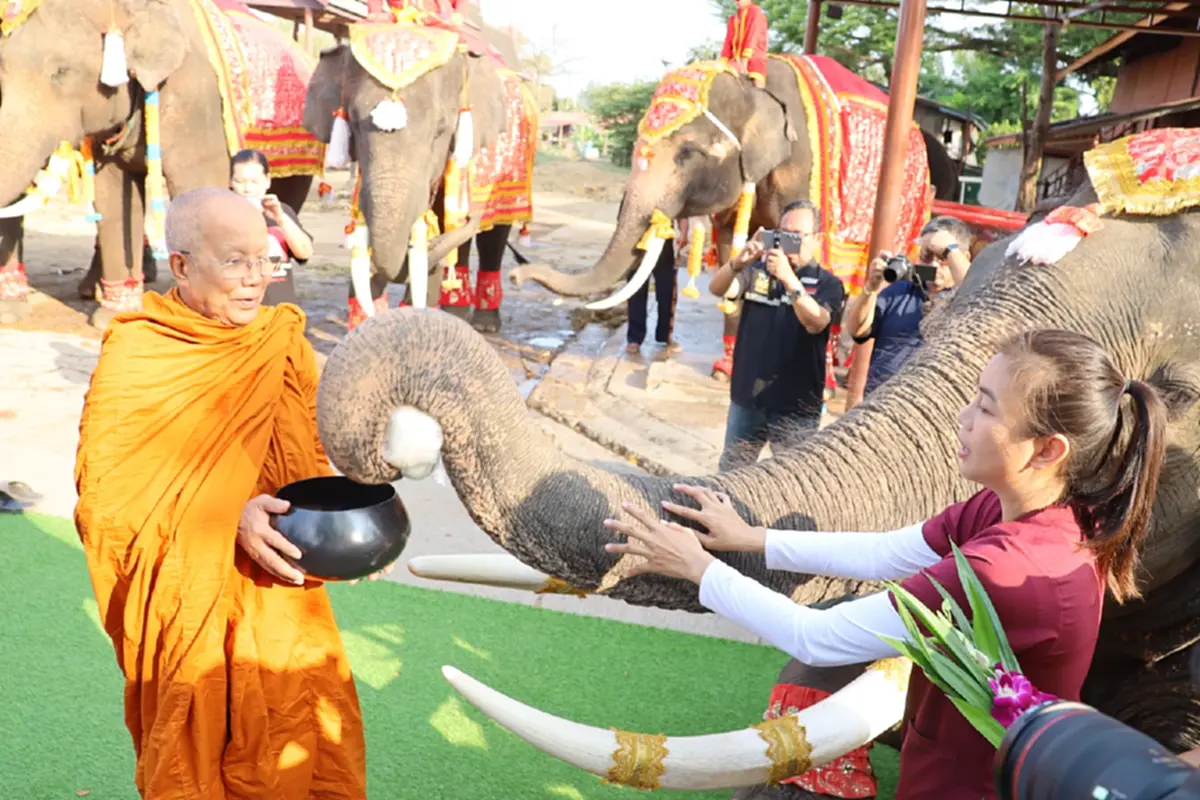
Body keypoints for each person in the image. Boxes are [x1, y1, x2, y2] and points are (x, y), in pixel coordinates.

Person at [601, 328, 1167, 798]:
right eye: (974, 395)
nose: (963, 418)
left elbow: (816, 638)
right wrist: (752, 538)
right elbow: (889, 551)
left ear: (1047, 450)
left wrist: (699, 568)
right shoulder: (1022, 510)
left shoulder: (1007, 570)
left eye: (986, 408)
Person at [74, 188, 373, 798]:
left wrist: (347, 536)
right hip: (190, 596)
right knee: (200, 754)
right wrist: (227, 518)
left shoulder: (282, 339)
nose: (255, 280)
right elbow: (106, 501)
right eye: (235, 262)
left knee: (306, 739)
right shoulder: (139, 352)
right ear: (180, 265)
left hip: (279, 596)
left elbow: (311, 462)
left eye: (265, 261)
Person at [708, 200, 844, 471]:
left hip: (796, 406)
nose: (785, 243)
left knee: (792, 479)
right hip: (747, 398)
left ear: (816, 239)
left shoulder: (829, 284)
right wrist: (737, 262)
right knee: (732, 472)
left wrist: (787, 278)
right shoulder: (757, 271)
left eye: (795, 236)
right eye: (780, 234)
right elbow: (718, 288)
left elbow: (816, 323)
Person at [844, 215, 974, 396]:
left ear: (963, 256)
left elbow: (977, 290)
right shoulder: (899, 290)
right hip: (879, 403)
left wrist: (950, 249)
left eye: (942, 257)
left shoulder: (967, 299)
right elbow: (857, 331)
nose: (934, 264)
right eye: (927, 256)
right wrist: (870, 288)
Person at [229, 149, 313, 308]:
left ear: (267, 181)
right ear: (230, 183)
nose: (247, 189)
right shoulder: (221, 215)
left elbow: (305, 252)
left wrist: (280, 218)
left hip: (279, 310)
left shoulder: (283, 212)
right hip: (240, 310)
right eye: (239, 182)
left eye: (254, 182)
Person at [626, 224, 681, 356]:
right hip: (636, 238)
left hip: (663, 235)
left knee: (666, 290)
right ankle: (635, 338)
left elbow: (681, 207)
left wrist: (683, 231)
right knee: (636, 288)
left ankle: (665, 335)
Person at [720, 0, 769, 87]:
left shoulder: (755, 11)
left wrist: (744, 61)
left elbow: (752, 36)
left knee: (757, 86)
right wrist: (723, 61)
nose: (737, 1)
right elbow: (728, 42)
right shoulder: (732, 19)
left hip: (754, 57)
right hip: (735, 59)